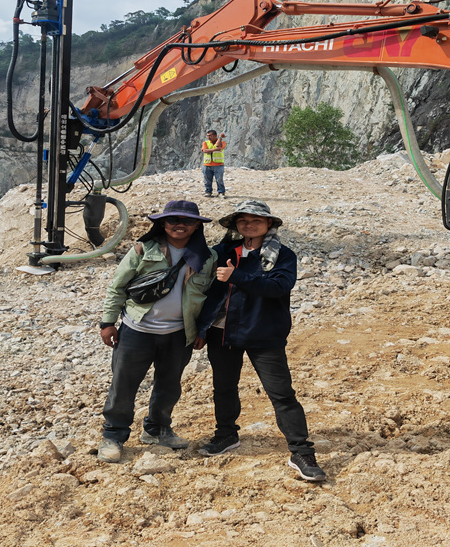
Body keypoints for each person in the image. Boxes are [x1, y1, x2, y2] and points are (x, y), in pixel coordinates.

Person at [193, 199, 326, 482]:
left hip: (263, 333)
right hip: (223, 331)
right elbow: (209, 291)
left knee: (281, 394)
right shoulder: (223, 251)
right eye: (243, 221)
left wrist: (236, 275)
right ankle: (226, 434)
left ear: (269, 224)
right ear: (236, 226)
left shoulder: (283, 256)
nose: (248, 225)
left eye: (256, 220)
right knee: (224, 387)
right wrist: (201, 328)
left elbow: (279, 286)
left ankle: (301, 451)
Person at [97, 200, 217, 463]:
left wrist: (202, 330)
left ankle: (158, 430)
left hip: (179, 334)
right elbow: (118, 287)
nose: (180, 226)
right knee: (123, 385)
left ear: (197, 225)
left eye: (187, 221)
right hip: (136, 330)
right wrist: (108, 323)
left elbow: (210, 298)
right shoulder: (142, 249)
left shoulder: (208, 258)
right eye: (174, 220)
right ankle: (114, 436)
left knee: (169, 385)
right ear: (163, 223)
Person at [202, 129, 227, 198]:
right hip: (207, 165)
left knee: (219, 179)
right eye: (207, 136)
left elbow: (218, 146)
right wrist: (214, 149)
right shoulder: (205, 143)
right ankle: (208, 191)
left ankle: (221, 192)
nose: (208, 137)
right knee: (207, 179)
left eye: (210, 136)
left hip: (218, 165)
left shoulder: (222, 142)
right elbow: (205, 150)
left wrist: (220, 138)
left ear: (215, 136)